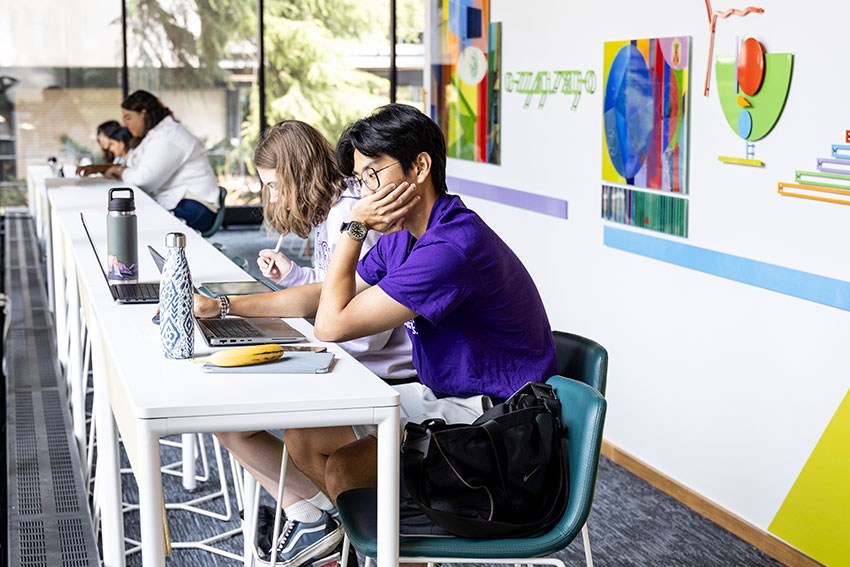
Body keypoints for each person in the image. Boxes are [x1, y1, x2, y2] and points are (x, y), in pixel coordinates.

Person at [242, 104, 554, 562]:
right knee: (305, 437)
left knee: (348, 467)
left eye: (373, 175)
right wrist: (227, 307)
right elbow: (325, 294)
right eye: (360, 180)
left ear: (420, 166)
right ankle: (358, 544)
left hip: (500, 424)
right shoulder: (406, 235)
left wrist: (354, 226)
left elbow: (330, 324)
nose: (365, 192)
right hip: (448, 396)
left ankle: (391, 547)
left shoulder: (448, 248)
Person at [193, 120, 415, 566]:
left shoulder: (349, 217)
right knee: (231, 421)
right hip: (349, 359)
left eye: (274, 185)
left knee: (261, 426)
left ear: (297, 172)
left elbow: (361, 323)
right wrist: (294, 281)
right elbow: (337, 286)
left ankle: (326, 523)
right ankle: (316, 518)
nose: (272, 198)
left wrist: (295, 332)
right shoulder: (333, 214)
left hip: (376, 373)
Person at [104, 90, 220, 232]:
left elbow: (143, 180)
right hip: (182, 202)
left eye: (128, 118)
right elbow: (133, 167)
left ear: (143, 113)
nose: (125, 124)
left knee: (135, 225)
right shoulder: (155, 135)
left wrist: (119, 171)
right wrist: (122, 170)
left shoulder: (168, 136)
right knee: (129, 220)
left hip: (195, 207)